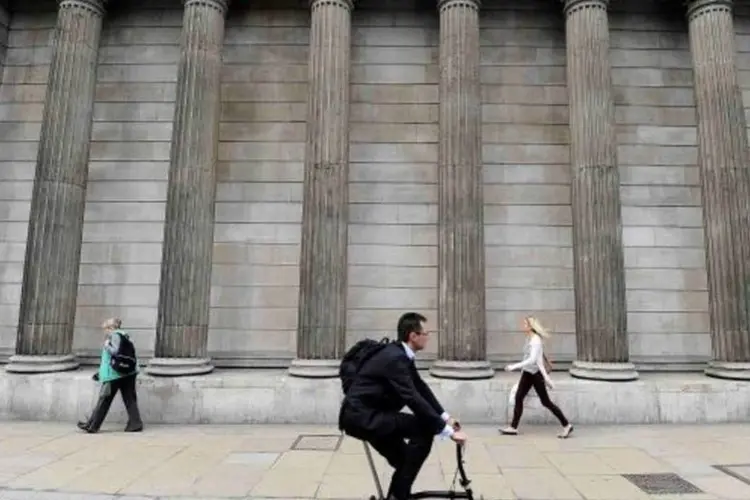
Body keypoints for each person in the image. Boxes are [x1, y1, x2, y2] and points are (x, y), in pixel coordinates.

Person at [339, 312, 467, 500]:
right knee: (423, 430)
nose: (428, 337)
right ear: (413, 336)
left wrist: (445, 417)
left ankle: (397, 495)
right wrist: (447, 432)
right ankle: (398, 496)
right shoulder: (395, 358)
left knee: (405, 460)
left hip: (366, 415)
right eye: (426, 333)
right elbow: (412, 398)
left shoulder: (401, 354)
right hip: (364, 417)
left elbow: (420, 388)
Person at [500, 315, 573, 438]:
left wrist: (514, 366)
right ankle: (513, 427)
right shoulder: (530, 338)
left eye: (524, 324)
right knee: (519, 397)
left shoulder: (535, 340)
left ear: (530, 326)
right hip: (528, 373)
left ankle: (566, 425)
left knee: (546, 402)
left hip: (535, 374)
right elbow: (538, 353)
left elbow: (533, 359)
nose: (522, 326)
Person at [77, 317, 143, 433]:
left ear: (111, 328)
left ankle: (92, 425)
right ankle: (135, 423)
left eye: (105, 329)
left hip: (114, 374)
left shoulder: (115, 336)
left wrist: (107, 345)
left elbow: (115, 352)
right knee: (130, 399)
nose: (105, 332)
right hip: (128, 372)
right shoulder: (126, 336)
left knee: (104, 400)